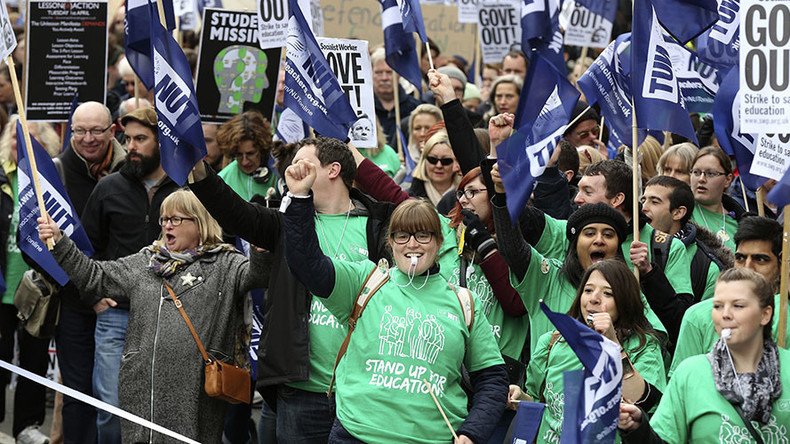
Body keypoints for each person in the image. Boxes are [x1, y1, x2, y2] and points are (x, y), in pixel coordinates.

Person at [280, 165, 508, 442]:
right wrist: (300, 198)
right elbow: (307, 264)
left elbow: (493, 379)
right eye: (403, 235)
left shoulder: (463, 301)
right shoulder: (366, 281)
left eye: (423, 235)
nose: (413, 244)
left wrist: (472, 433)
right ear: (391, 242)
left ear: (438, 243)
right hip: (356, 435)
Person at [188, 137, 395, 443]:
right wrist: (197, 169)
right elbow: (234, 211)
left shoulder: (381, 224)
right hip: (302, 392)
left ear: (334, 170)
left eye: (303, 162)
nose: (293, 169)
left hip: (364, 388)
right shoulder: (287, 224)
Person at [37, 190, 266, 443]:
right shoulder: (147, 261)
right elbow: (95, 277)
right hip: (141, 390)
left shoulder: (225, 264)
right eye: (164, 219)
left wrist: (260, 247)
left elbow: (258, 275)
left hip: (195, 394)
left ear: (199, 222)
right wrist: (60, 242)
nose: (167, 225)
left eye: (176, 219)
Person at [80, 106, 180, 443]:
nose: (131, 146)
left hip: (170, 317)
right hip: (116, 317)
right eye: (127, 138)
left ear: (162, 142)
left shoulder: (187, 190)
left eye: (141, 138)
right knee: (110, 408)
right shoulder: (108, 188)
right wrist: (94, 296)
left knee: (160, 410)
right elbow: (86, 250)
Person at [619, 268, 789, 443]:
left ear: (765, 314)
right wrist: (637, 429)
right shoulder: (690, 373)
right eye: (718, 306)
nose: (725, 315)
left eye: (738, 305)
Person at [509, 260, 666, 442]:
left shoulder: (643, 346)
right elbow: (541, 405)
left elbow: (643, 402)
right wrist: (521, 398)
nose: (594, 298)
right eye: (588, 290)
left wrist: (612, 345)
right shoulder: (553, 342)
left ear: (625, 301)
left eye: (608, 293)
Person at [56, 101, 126, 444]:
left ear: (112, 131)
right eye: (80, 131)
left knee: (114, 399)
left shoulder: (131, 170)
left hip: (118, 303)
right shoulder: (56, 173)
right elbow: (43, 251)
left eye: (96, 130)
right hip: (75, 303)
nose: (88, 138)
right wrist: (90, 295)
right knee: (78, 395)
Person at [0, 117, 61, 444]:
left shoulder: (51, 181)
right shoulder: (0, 177)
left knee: (34, 361)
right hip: (2, 287)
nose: (20, 146)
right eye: (15, 139)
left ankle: (27, 425)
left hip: (39, 289)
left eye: (29, 140)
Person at [669, 216, 789, 378]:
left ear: (782, 264)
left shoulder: (785, 313)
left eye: (760, 259)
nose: (747, 268)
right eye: (740, 258)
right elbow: (682, 384)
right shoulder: (697, 316)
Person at [689, 146, 745, 251]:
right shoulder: (681, 213)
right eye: (696, 172)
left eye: (710, 174)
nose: (701, 179)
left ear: (728, 180)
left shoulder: (740, 222)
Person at [217, 111, 280, 202]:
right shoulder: (223, 180)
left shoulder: (279, 175)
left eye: (250, 153)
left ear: (262, 149)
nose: (244, 161)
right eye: (239, 155)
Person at [371, 48, 422, 149]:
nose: (384, 78)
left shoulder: (415, 108)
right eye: (379, 72)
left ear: (399, 74)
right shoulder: (364, 109)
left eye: (389, 72)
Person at [411, 130, 460, 207]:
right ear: (423, 161)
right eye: (432, 159)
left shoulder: (466, 196)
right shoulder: (409, 198)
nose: (439, 165)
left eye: (446, 161)